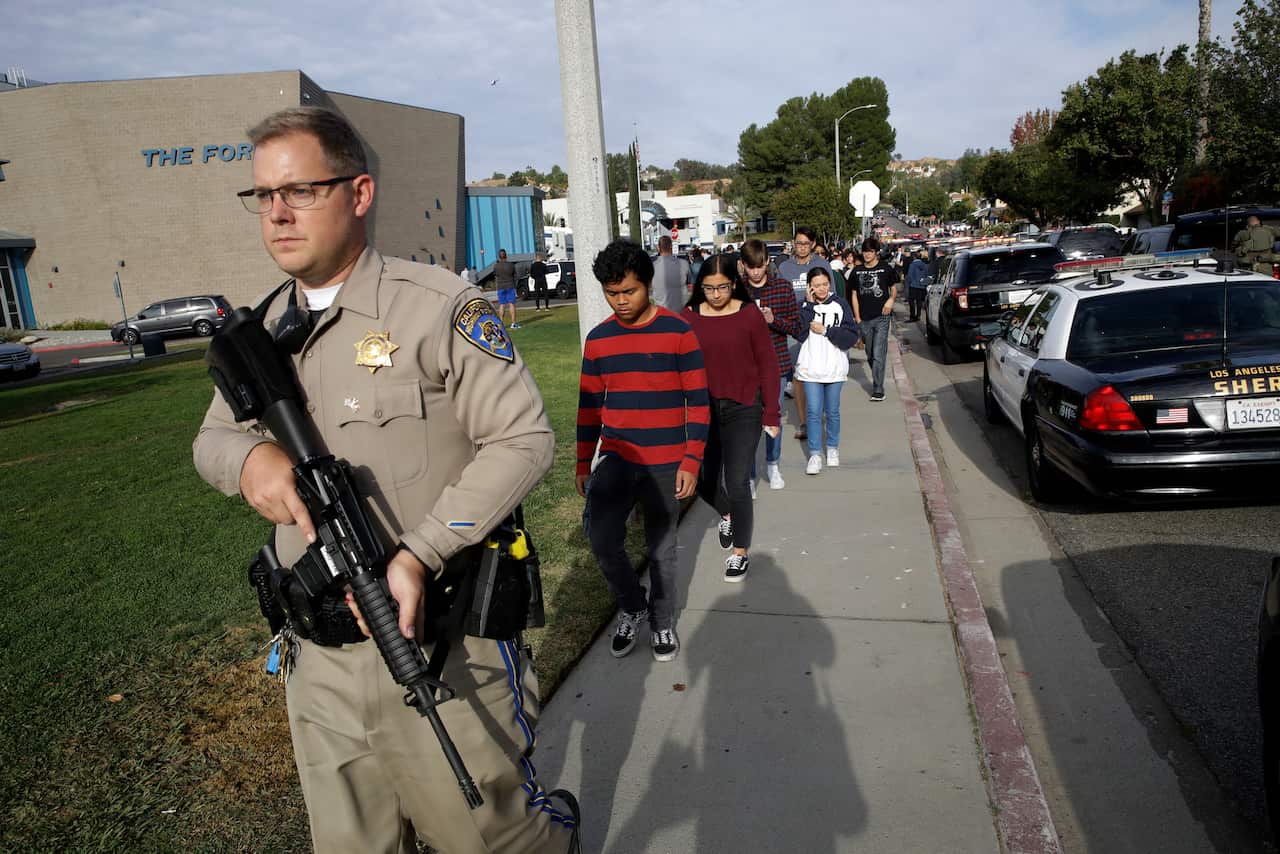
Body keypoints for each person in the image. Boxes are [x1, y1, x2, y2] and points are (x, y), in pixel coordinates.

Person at [192, 106, 578, 854]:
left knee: (492, 841)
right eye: (263, 196)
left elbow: (523, 439)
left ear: (359, 193)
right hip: (321, 666)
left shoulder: (437, 306)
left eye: (300, 191)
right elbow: (212, 438)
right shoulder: (262, 331)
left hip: (441, 647)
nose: (277, 214)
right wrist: (247, 461)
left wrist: (418, 552)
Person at [577, 239, 709, 661]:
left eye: (628, 291)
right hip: (616, 459)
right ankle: (633, 607)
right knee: (601, 540)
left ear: (648, 284)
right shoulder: (598, 341)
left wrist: (691, 459)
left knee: (662, 550)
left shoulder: (678, 331)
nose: (619, 301)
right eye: (611, 293)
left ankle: (663, 621)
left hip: (667, 462)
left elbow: (700, 402)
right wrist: (583, 461)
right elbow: (588, 407)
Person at [683, 253, 781, 582]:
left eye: (723, 287)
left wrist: (772, 412)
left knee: (738, 481)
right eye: (709, 288)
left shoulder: (749, 314)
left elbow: (768, 365)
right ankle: (726, 514)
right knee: (704, 481)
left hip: (744, 407)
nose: (716, 294)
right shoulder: (688, 317)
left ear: (734, 283)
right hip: (703, 410)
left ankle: (740, 552)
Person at [740, 238, 802, 490]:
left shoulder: (783, 288)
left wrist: (773, 319)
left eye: (759, 266)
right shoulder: (736, 291)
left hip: (776, 363)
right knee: (748, 423)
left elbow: (797, 327)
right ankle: (751, 475)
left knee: (772, 417)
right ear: (743, 265)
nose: (756, 272)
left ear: (767, 262)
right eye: (750, 267)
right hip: (744, 367)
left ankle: (773, 465)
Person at [794, 267, 859, 475]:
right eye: (816, 285)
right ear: (810, 287)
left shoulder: (840, 304)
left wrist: (826, 330)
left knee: (832, 411)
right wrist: (809, 306)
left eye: (824, 284)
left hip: (834, 367)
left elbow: (851, 337)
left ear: (829, 284)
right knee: (813, 411)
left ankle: (832, 448)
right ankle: (814, 454)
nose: (821, 289)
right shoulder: (804, 306)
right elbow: (799, 333)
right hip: (811, 367)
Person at [775, 227, 833, 441]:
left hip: (818, 327)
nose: (801, 247)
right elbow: (780, 297)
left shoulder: (822, 265)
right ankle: (804, 422)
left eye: (806, 244)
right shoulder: (784, 268)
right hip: (794, 328)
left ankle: (820, 413)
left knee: (820, 374)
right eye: (798, 243)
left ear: (813, 244)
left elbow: (831, 297)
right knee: (799, 377)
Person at [849, 237, 900, 402]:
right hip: (863, 319)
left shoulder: (885, 269)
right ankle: (877, 375)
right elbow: (854, 294)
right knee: (870, 353)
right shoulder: (856, 272)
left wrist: (891, 301)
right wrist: (857, 318)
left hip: (882, 317)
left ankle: (878, 389)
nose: (867, 254)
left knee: (879, 353)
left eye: (870, 251)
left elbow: (893, 289)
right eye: (865, 251)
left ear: (876, 252)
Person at [651, 234, 693, 311]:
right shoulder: (683, 263)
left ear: (658, 248)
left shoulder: (653, 266)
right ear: (671, 246)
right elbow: (689, 281)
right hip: (681, 309)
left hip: (661, 309)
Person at [493, 248, 521, 328]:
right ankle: (513, 323)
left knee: (502, 304)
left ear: (499, 257)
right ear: (506, 256)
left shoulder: (496, 266)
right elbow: (515, 276)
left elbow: (495, 275)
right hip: (510, 286)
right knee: (511, 304)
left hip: (500, 287)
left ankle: (501, 324)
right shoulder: (511, 265)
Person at [905, 249, 929, 321]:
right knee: (919, 301)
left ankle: (912, 316)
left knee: (911, 301)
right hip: (921, 285)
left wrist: (909, 283)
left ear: (914, 257)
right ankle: (918, 315)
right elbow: (926, 275)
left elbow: (910, 276)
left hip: (913, 285)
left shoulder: (912, 265)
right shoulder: (924, 265)